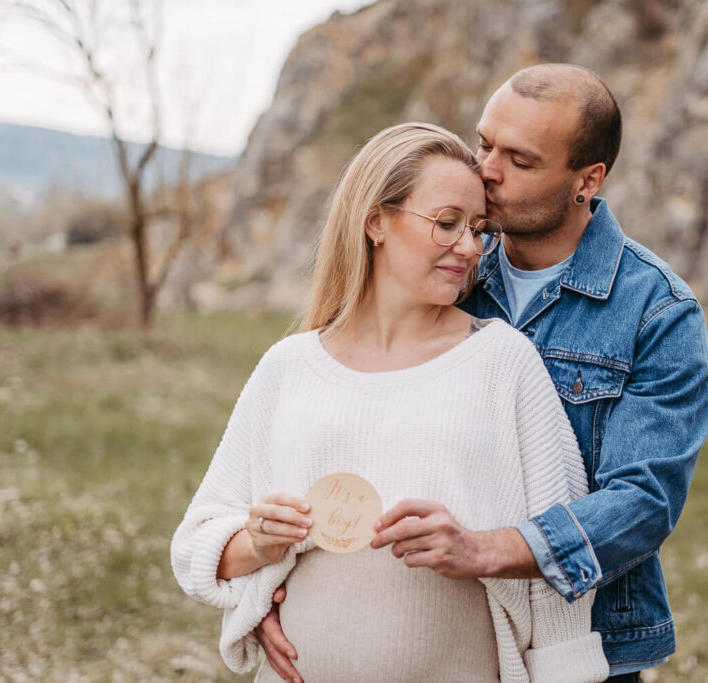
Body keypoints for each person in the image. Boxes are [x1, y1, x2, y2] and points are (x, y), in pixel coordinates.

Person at [258, 65, 708, 683]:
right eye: (484, 144)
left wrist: (484, 549)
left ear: (587, 180)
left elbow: (644, 501)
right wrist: (273, 591)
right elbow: (343, 431)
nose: (487, 171)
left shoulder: (657, 310)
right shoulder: (446, 268)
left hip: (586, 641)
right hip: (453, 638)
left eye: (520, 160)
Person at [171, 122, 610, 683]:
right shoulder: (288, 367)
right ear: (376, 220)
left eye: (478, 229)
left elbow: (558, 573)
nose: (470, 247)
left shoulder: (503, 362)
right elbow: (196, 547)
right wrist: (258, 544)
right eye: (447, 223)